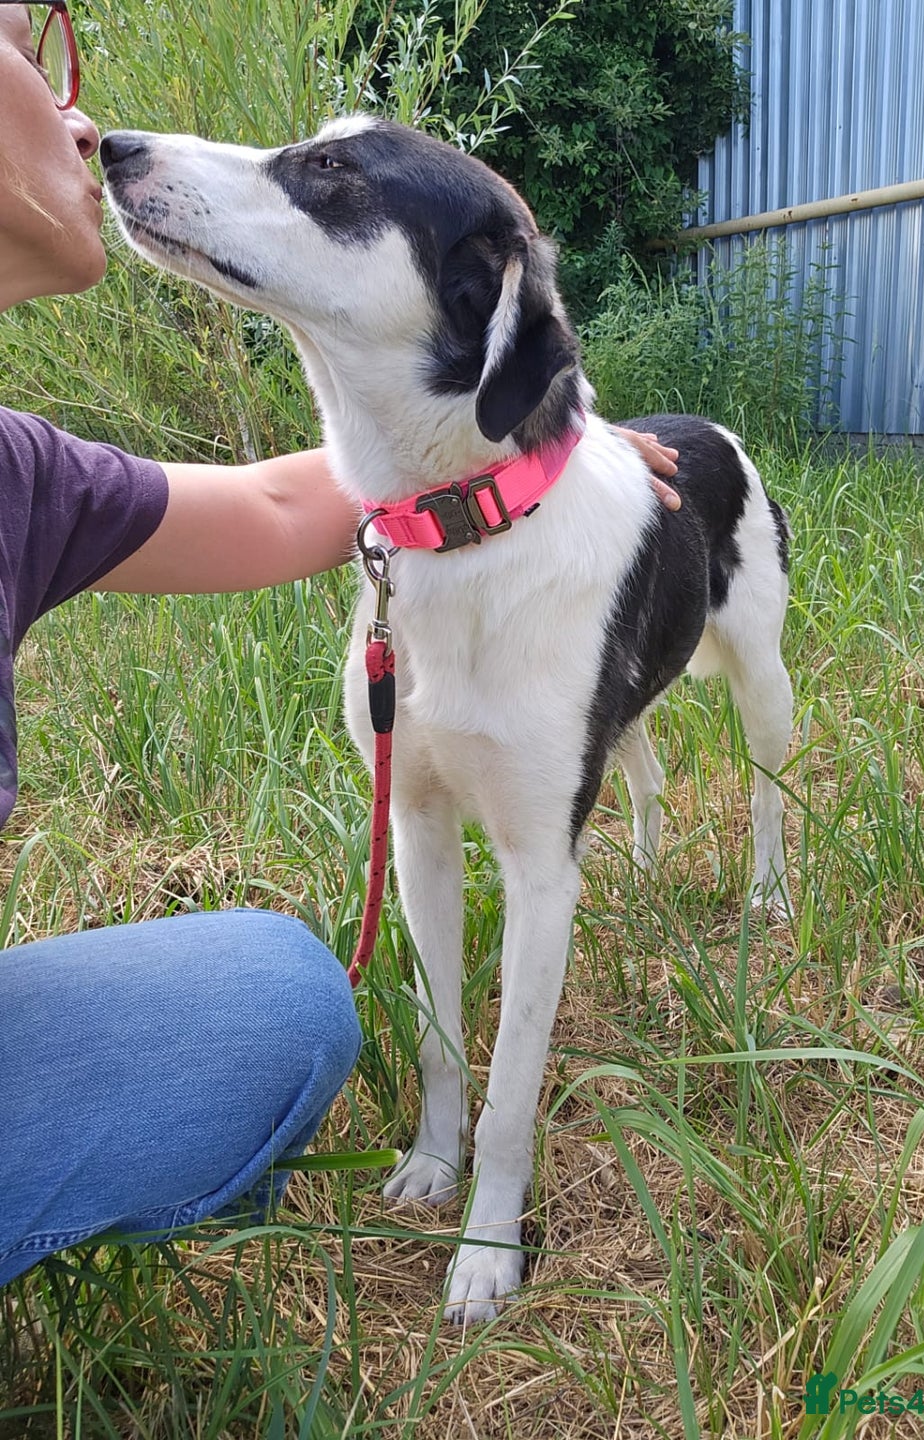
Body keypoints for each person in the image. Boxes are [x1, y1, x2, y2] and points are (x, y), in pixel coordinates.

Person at [0, 0, 681, 1287]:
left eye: (328, 175)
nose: (91, 122)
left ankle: (489, 1157)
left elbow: (275, 504)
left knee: (284, 992)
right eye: (35, 61)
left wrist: (555, 439)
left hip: (499, 479)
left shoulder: (21, 476)